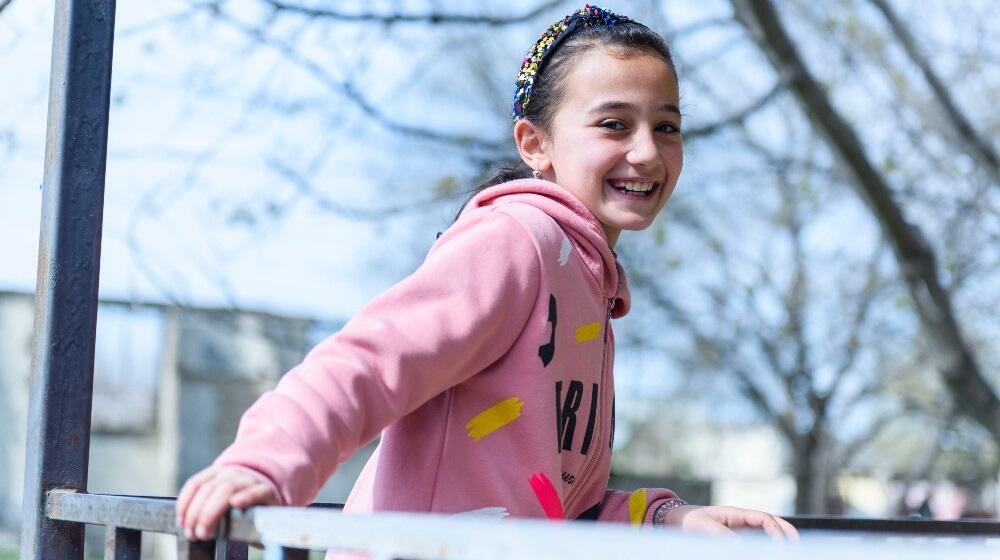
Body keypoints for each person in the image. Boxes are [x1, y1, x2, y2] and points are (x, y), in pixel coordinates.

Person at [176, 4, 799, 546]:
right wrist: (265, 464)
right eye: (614, 123)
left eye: (666, 126)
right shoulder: (518, 243)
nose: (646, 151)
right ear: (535, 143)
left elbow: (552, 511)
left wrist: (663, 519)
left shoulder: (588, 285)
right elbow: (368, 360)